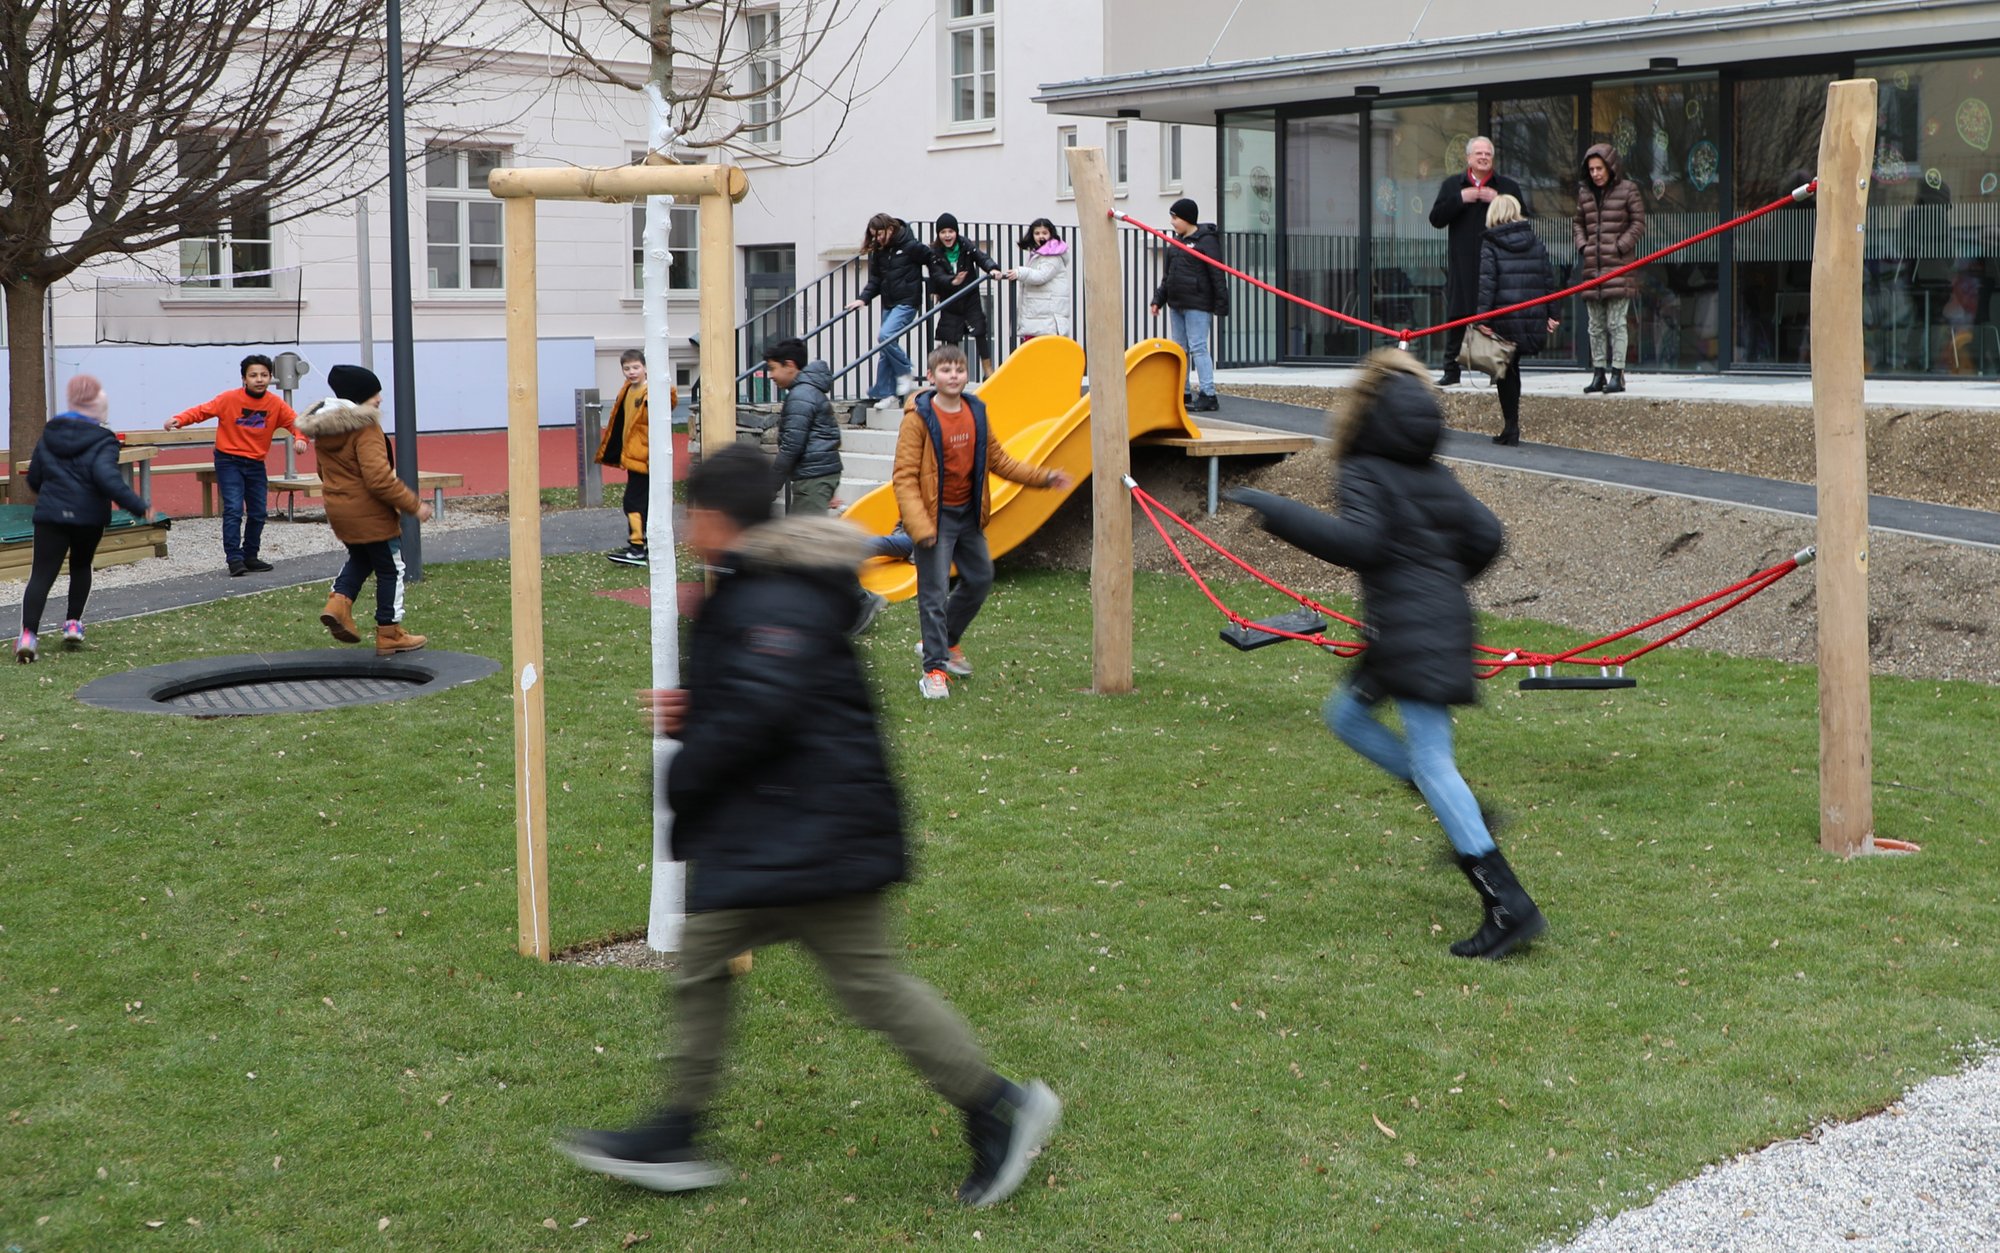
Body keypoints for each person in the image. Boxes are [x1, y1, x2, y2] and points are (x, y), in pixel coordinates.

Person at [556, 445, 1060, 1206]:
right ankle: (677, 1131)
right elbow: (764, 692)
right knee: (702, 964)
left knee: (870, 986)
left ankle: (1000, 1106)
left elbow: (763, 707)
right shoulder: (760, 585)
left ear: (719, 520)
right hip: (778, 823)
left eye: (694, 512)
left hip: (810, 829)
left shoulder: (771, 595)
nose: (688, 525)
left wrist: (686, 772)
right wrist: (705, 709)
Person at [1221, 349, 1544, 961]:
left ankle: (1509, 905)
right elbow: (1486, 536)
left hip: (1410, 628)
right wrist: (1442, 578)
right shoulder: (1434, 475)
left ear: (1364, 410)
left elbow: (1362, 543)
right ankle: (1453, 804)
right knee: (1346, 716)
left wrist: (1278, 510)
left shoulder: (1365, 467)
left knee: (1432, 759)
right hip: (1420, 626)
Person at [892, 344, 1072, 700]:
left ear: (966, 374)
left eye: (959, 369)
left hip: (967, 515)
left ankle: (949, 640)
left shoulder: (976, 412)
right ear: (931, 377)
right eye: (945, 370)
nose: (953, 375)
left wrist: (1044, 477)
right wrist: (920, 526)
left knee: (980, 578)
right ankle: (934, 671)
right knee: (933, 593)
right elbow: (904, 476)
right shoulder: (918, 418)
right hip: (933, 518)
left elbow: (1000, 460)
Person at [14, 376, 171, 662]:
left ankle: (28, 635)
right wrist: (137, 505)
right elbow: (107, 477)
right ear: (98, 411)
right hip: (88, 516)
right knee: (81, 565)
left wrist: (50, 496)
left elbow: (35, 476)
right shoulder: (104, 439)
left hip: (50, 515)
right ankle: (72, 624)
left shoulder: (50, 433)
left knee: (41, 574)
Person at [298, 365, 433, 656]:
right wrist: (415, 505)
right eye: (374, 393)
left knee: (360, 557)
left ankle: (338, 603)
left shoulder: (325, 427)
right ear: (360, 397)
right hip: (369, 511)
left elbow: (322, 471)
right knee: (391, 568)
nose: (380, 399)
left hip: (338, 509)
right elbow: (379, 479)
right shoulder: (365, 426)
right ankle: (390, 631)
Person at [163, 353, 301, 575]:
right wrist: (180, 420)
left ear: (270, 378)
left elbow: (297, 423)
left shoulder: (275, 404)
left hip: (256, 463)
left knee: (258, 512)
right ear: (244, 379)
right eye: (253, 375)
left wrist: (301, 439)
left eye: (264, 375)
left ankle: (251, 556)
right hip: (229, 461)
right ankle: (234, 559)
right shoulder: (229, 399)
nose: (259, 379)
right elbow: (202, 410)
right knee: (234, 509)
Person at [1429, 137, 1525, 387]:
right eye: (1478, 153)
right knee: (1458, 315)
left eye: (1488, 154)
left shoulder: (1507, 186)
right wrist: (1462, 198)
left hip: (1497, 263)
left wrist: (1498, 200)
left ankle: (1498, 370)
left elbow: (1523, 221)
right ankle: (1451, 370)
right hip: (1462, 264)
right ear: (1469, 158)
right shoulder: (1453, 185)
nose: (1483, 157)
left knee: (1497, 317)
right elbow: (1436, 219)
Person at [1476, 194, 1560, 447]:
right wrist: (1553, 314)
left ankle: (1511, 426)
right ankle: (1510, 426)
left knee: (1506, 372)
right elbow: (1548, 279)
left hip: (1503, 317)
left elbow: (1487, 283)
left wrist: (1483, 317)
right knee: (1513, 368)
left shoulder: (1490, 243)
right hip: (1530, 316)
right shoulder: (1535, 241)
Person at [1573, 143, 1646, 395]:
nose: (1595, 173)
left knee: (1617, 323)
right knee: (1595, 325)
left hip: (1619, 268)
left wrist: (1619, 246)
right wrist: (1584, 246)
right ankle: (1598, 374)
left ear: (1610, 167)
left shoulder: (1628, 190)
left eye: (1599, 168)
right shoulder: (1585, 194)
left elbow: (1638, 223)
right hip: (1593, 268)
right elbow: (1578, 223)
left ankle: (1618, 374)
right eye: (1591, 169)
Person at [1147, 198, 1231, 413]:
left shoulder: (1206, 241)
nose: (1173, 222)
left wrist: (1222, 303)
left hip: (1197, 304)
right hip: (1177, 303)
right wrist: (1158, 300)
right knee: (1179, 349)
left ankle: (1208, 394)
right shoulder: (1176, 243)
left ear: (1187, 219)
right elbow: (1168, 276)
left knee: (1198, 348)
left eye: (1175, 218)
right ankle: (1182, 393)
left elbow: (1217, 273)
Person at [845, 213, 933, 410]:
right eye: (874, 235)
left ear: (891, 229)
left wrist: (938, 286)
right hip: (889, 302)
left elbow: (932, 259)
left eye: (879, 234)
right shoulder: (880, 251)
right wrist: (863, 299)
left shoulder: (910, 246)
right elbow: (876, 280)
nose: (877, 239)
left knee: (885, 336)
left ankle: (905, 370)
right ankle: (887, 394)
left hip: (907, 301)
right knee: (885, 349)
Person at [598, 348, 671, 567]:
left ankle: (637, 548)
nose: (631, 372)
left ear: (646, 368)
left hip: (646, 457)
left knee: (633, 501)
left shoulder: (652, 391)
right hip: (634, 456)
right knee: (642, 502)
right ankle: (643, 545)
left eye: (636, 367)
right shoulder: (628, 389)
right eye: (626, 368)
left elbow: (669, 400)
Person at [762, 337, 845, 517]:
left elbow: (791, 447)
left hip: (814, 478)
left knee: (804, 539)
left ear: (790, 365)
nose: (771, 375)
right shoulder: (807, 391)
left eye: (773, 368)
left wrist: (771, 487)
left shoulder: (801, 396)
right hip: (817, 475)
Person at [926, 213, 1006, 376]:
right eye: (943, 232)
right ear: (938, 234)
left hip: (970, 298)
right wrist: (950, 281)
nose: (947, 235)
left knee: (979, 330)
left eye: (950, 231)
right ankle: (955, 371)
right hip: (950, 300)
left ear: (956, 232)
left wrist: (992, 268)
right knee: (951, 336)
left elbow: (982, 258)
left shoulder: (965, 246)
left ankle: (988, 369)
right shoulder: (935, 251)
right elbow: (936, 274)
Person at [1010, 218, 1071, 340]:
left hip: (1047, 318)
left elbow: (1040, 276)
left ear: (1051, 234)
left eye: (1044, 233)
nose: (1041, 236)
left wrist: (1020, 272)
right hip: (1040, 315)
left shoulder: (1053, 256)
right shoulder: (1040, 254)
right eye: (1037, 233)